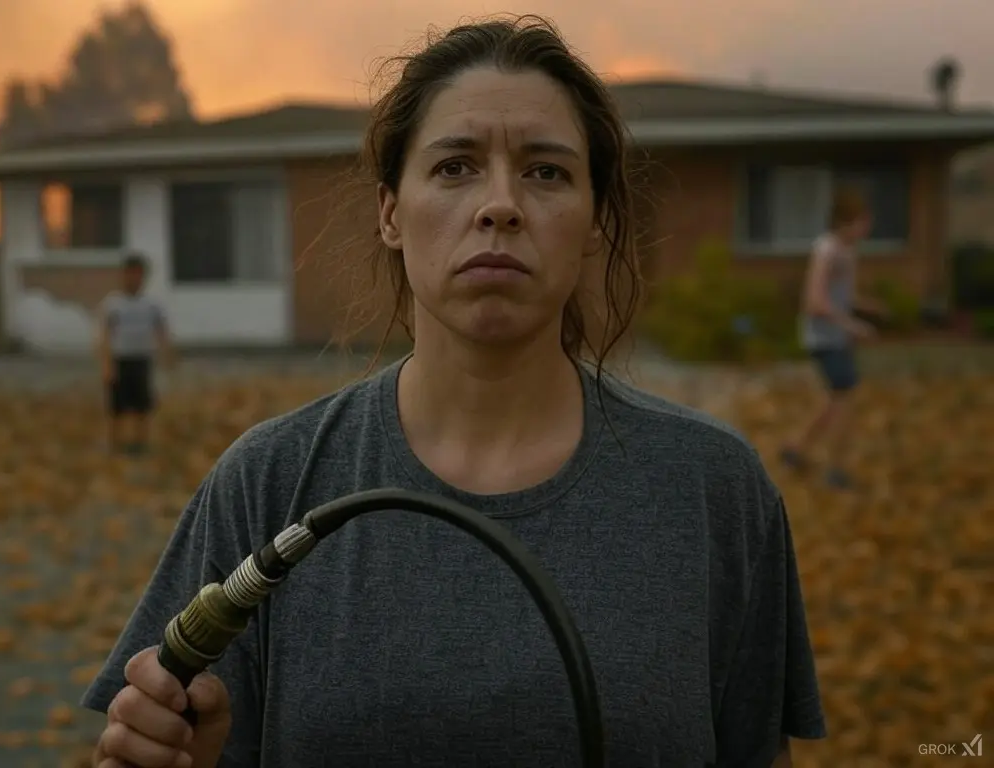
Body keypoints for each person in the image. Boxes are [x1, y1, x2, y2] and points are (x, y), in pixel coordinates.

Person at [83, 15, 825, 768]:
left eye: (546, 172)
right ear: (391, 213)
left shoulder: (713, 488)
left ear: (597, 220)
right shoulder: (267, 483)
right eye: (454, 167)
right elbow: (163, 730)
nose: (499, 205)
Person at [780, 187, 885, 490]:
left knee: (834, 400)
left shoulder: (846, 252)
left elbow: (843, 296)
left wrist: (868, 307)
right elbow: (815, 301)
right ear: (846, 221)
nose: (867, 228)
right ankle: (836, 471)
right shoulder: (826, 250)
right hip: (824, 338)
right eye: (863, 221)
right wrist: (853, 326)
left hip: (836, 337)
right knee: (844, 399)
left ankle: (795, 449)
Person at [96, 253, 173, 455]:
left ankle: (140, 444)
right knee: (116, 407)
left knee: (143, 405)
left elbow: (161, 330)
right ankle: (114, 443)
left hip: (142, 359)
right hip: (120, 359)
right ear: (123, 275)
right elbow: (105, 334)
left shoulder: (152, 304)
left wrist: (167, 354)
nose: (134, 279)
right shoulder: (113, 303)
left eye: (138, 274)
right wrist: (106, 364)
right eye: (130, 274)